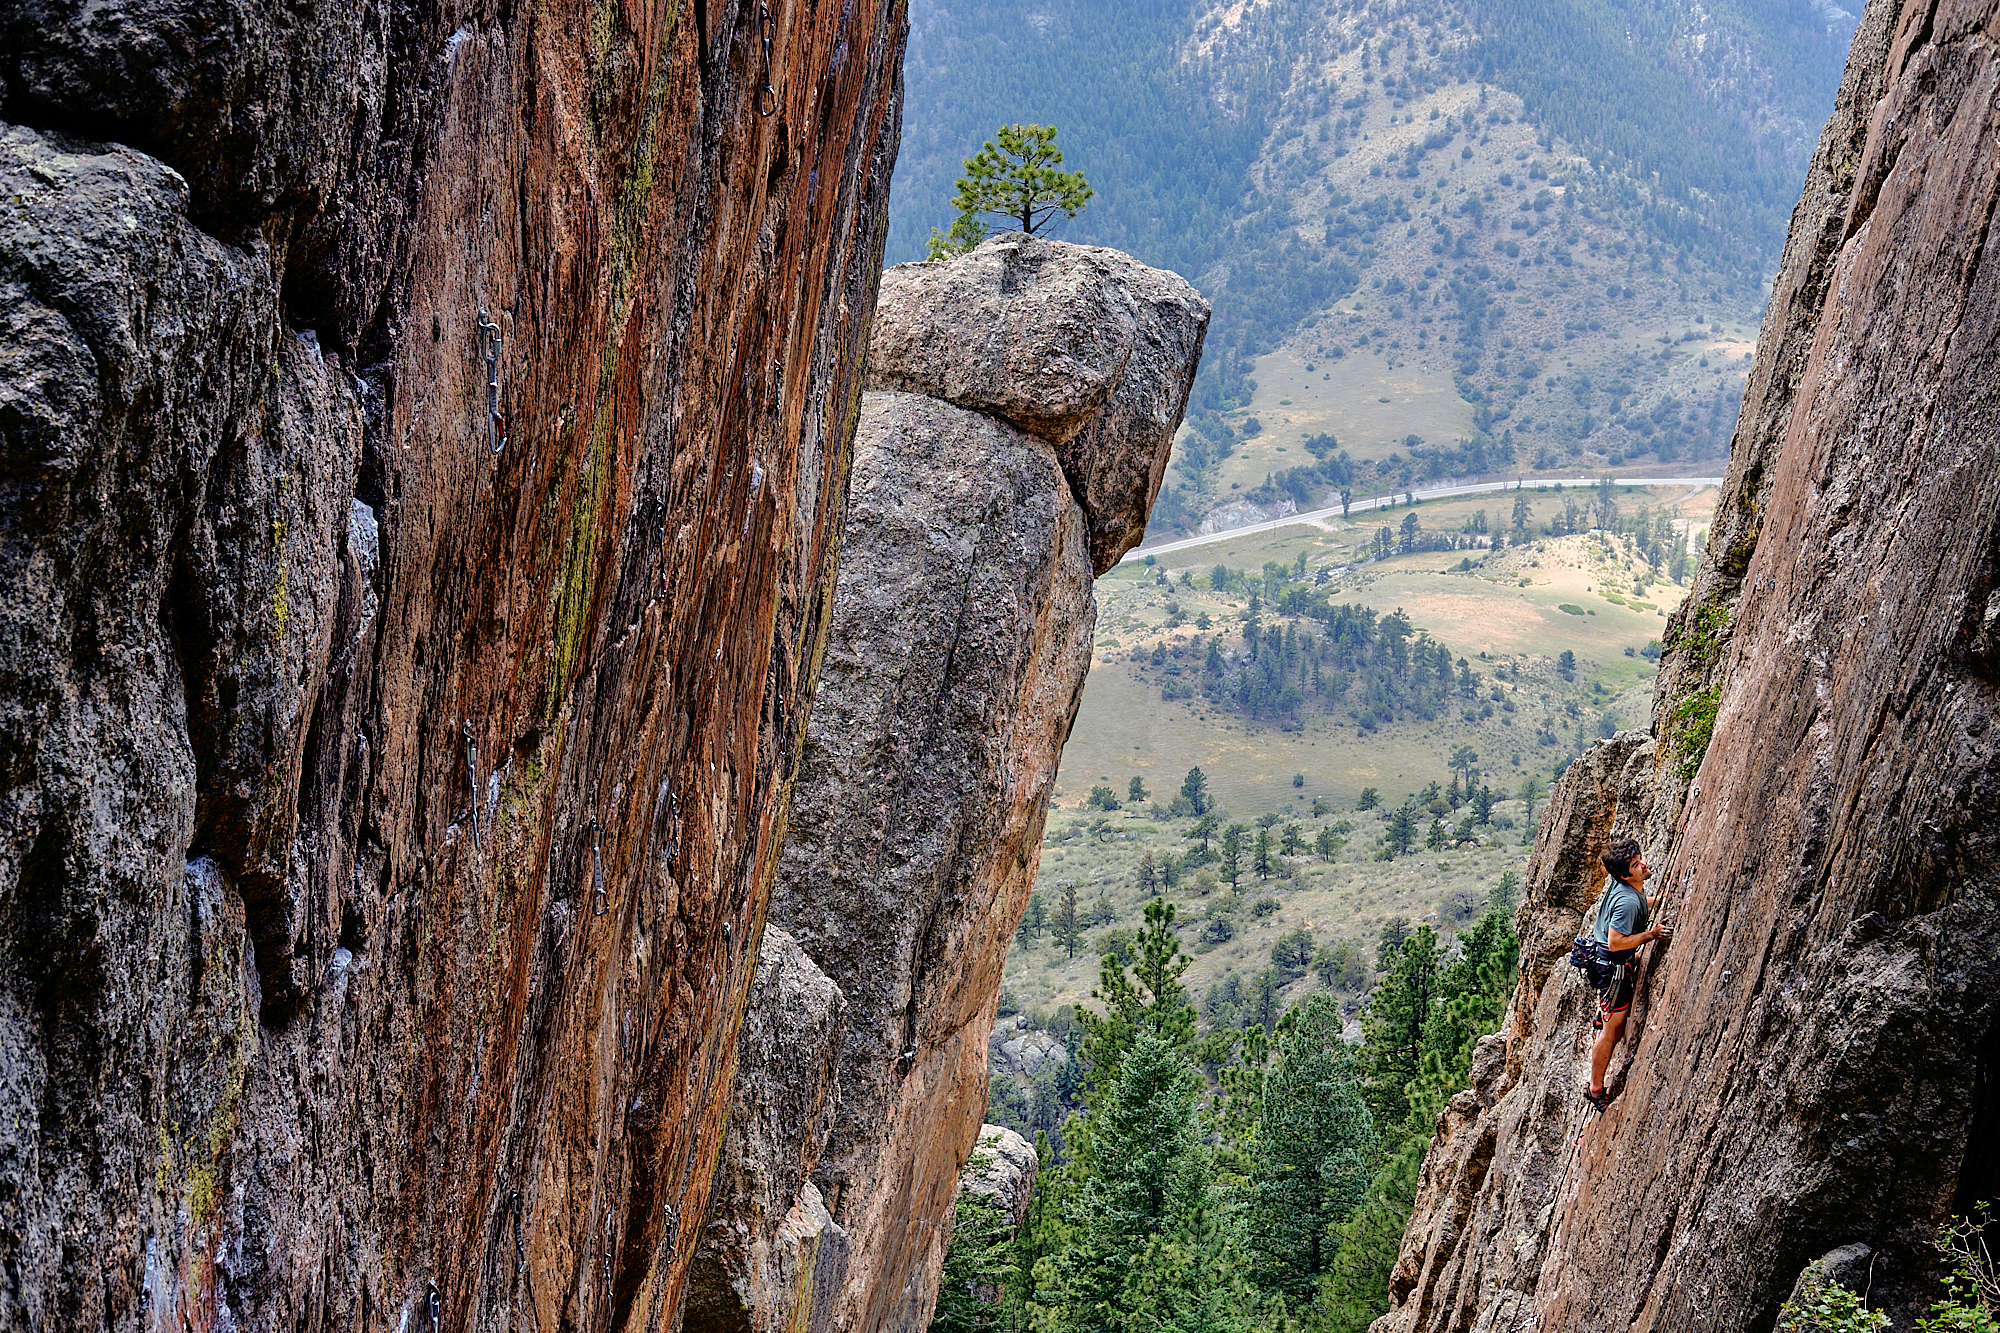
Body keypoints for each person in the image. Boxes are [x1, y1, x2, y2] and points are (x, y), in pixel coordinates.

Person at [1585, 837, 1670, 1111]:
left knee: (1613, 1023)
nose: (1643, 864)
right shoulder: (1627, 903)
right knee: (1612, 1032)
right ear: (1625, 874)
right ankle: (1595, 1088)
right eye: (1635, 864)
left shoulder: (1625, 888)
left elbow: (1637, 902)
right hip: (1613, 967)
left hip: (1609, 961)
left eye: (1640, 858)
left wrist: (1656, 901)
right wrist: (1652, 934)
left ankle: (1605, 1010)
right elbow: (1616, 942)